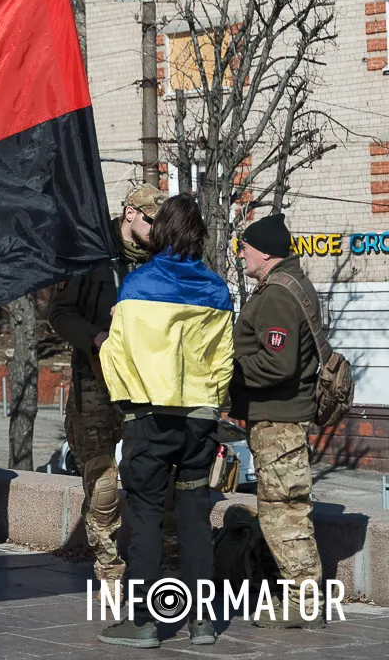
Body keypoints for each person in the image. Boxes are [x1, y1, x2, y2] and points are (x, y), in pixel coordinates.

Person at [96, 194, 233, 648]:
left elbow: (116, 355)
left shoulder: (138, 284)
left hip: (149, 417)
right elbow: (224, 361)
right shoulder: (217, 290)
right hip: (199, 420)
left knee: (146, 517)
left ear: (163, 232)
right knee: (195, 519)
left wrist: (127, 402)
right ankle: (203, 623)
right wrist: (210, 403)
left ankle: (142, 622)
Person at [49, 182, 164, 585]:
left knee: (152, 476)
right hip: (96, 382)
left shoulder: (158, 260)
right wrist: (96, 338)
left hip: (145, 382)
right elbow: (59, 313)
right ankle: (110, 570)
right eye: (150, 220)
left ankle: (155, 567)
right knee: (102, 483)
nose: (155, 229)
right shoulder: (91, 251)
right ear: (130, 212)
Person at [232, 213, 325, 629]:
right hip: (281, 420)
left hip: (279, 423)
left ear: (265, 253)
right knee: (283, 509)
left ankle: (304, 603)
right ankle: (296, 596)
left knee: (283, 514)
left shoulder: (275, 296)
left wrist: (230, 366)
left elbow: (278, 364)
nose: (242, 254)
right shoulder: (291, 285)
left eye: (246, 247)